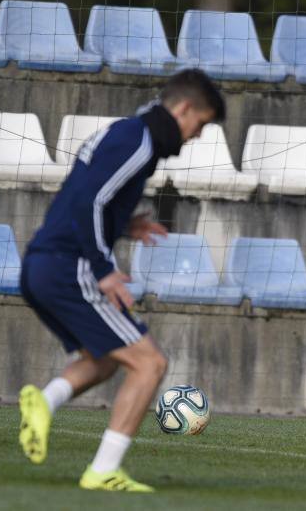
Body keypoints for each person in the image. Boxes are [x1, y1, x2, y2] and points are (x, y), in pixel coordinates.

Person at [17, 69, 225, 490]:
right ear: (183, 109)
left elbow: (85, 196)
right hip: (67, 265)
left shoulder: (128, 133)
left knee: (109, 357)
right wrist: (103, 269)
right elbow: (90, 201)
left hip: (45, 263)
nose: (197, 136)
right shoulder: (139, 140)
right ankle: (103, 470)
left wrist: (125, 225)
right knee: (150, 363)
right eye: (199, 124)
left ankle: (46, 400)